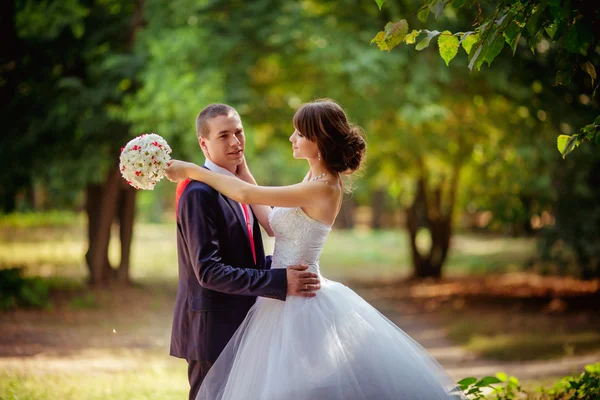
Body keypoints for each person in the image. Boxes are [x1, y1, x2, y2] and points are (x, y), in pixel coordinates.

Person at [166, 99, 465, 400]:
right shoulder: (312, 178)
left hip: (300, 299)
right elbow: (271, 223)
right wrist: (243, 173)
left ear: (319, 142)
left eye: (299, 133)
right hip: (278, 299)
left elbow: (245, 195)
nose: (292, 138)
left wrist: (192, 170)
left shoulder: (323, 187)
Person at [170, 103, 321, 400]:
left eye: (238, 132)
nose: (236, 142)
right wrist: (279, 281)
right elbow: (209, 271)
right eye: (223, 136)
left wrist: (281, 268)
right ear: (204, 143)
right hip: (213, 330)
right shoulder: (199, 193)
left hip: (247, 321)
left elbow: (244, 256)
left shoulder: (238, 187)